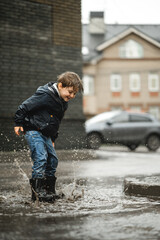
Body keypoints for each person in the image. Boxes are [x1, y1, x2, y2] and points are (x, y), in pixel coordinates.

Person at [14, 72, 83, 202]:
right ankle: (37, 193)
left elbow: (56, 121)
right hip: (33, 130)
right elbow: (24, 106)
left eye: (75, 94)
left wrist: (53, 138)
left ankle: (49, 190)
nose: (72, 96)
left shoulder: (63, 102)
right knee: (41, 158)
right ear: (61, 85)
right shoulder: (45, 95)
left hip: (46, 134)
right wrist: (18, 123)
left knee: (52, 160)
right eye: (70, 92)